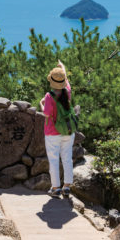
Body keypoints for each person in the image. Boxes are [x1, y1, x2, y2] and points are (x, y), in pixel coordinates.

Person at [40, 60, 76, 198]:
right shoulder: (67, 91)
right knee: (67, 158)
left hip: (52, 133)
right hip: (67, 130)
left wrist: (41, 104)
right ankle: (67, 187)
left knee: (54, 160)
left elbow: (47, 114)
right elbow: (66, 80)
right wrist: (63, 67)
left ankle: (55, 188)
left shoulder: (49, 96)